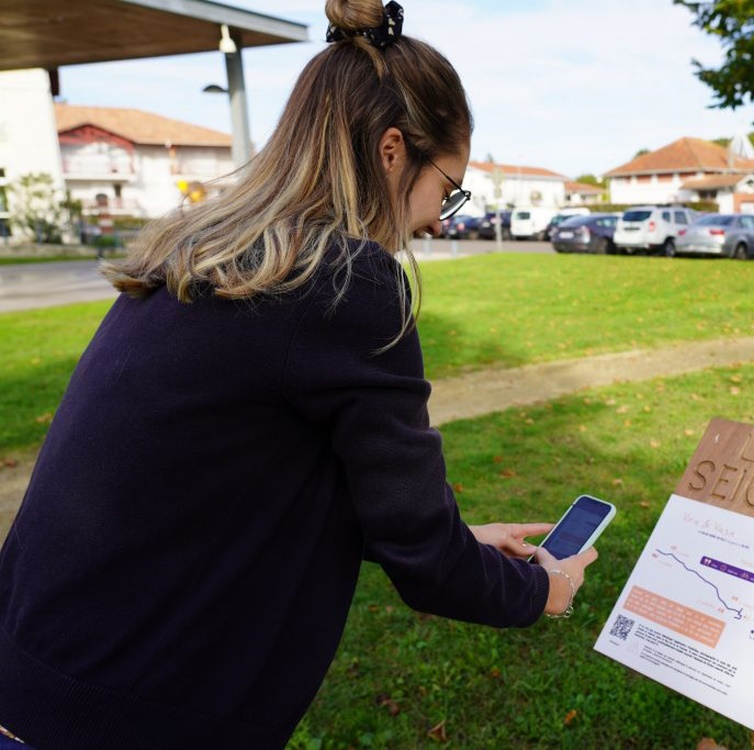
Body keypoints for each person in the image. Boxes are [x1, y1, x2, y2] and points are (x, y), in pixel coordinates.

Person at [0, 2, 599, 747]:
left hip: (33, 666)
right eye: (448, 188)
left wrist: (458, 537)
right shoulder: (345, 283)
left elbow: (251, 475)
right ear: (390, 151)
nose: (442, 221)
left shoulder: (201, 252)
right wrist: (542, 589)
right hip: (126, 705)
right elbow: (425, 560)